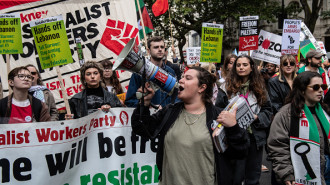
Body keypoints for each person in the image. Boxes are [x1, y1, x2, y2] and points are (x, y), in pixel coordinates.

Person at [131, 66, 249, 185]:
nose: (180, 80)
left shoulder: (218, 116)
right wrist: (144, 104)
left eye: (187, 78)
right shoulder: (170, 111)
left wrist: (233, 128)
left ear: (201, 88)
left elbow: (240, 152)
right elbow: (141, 128)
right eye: (182, 77)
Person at [215, 55, 272, 185]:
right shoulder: (226, 87)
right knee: (235, 176)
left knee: (253, 176)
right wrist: (228, 118)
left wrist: (257, 117)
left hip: (254, 137)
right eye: (238, 65)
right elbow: (217, 110)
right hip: (234, 137)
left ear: (252, 67)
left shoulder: (260, 87)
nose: (241, 67)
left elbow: (268, 110)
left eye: (245, 65)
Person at [268, 71, 330, 185]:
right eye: (316, 87)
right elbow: (278, 147)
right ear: (302, 90)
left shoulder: (325, 111)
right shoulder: (286, 114)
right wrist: (286, 173)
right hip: (301, 173)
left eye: (323, 86)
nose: (321, 90)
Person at [125, 36, 177, 108]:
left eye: (162, 47)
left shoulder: (171, 72)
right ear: (148, 51)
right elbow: (130, 101)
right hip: (148, 117)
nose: (160, 49)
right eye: (156, 47)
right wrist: (148, 106)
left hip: (167, 117)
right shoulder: (139, 73)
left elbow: (176, 96)